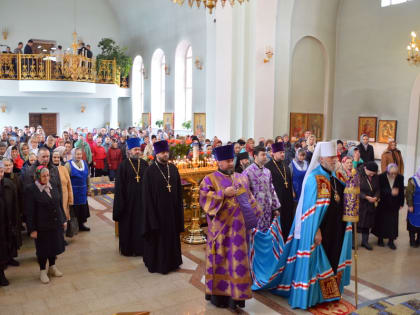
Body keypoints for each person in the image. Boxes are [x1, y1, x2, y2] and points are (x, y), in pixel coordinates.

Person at [250, 141, 352, 310]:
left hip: (335, 228)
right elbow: (308, 210)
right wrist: (316, 230)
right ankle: (314, 296)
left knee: (333, 258)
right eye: (331, 157)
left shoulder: (334, 177)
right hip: (319, 229)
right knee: (318, 263)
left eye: (336, 157)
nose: (335, 160)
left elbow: (346, 196)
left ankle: (328, 293)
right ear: (321, 159)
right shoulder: (314, 178)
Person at [199, 144, 262, 310]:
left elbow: (249, 198)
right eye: (226, 161)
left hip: (240, 232)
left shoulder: (242, 178)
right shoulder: (209, 179)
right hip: (220, 232)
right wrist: (222, 194)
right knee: (221, 262)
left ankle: (237, 298)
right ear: (219, 162)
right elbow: (204, 199)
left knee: (238, 263)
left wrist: (257, 212)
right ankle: (219, 298)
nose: (230, 163)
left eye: (231, 160)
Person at [141, 140, 184, 274]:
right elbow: (146, 196)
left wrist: (179, 212)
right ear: (156, 154)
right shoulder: (150, 171)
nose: (165, 155)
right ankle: (159, 265)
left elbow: (178, 191)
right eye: (162, 153)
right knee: (159, 239)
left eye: (166, 152)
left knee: (172, 237)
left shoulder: (173, 168)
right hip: (157, 212)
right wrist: (151, 217)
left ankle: (173, 262)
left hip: (172, 211)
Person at [25, 166, 66, 284]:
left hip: (55, 223)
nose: (46, 178)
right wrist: (32, 229)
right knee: (43, 249)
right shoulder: (31, 189)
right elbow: (29, 211)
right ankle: (42, 270)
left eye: (48, 175)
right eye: (43, 176)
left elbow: (58, 203)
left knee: (54, 246)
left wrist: (63, 219)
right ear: (37, 177)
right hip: (41, 226)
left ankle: (52, 267)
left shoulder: (52, 184)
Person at [113, 138, 148, 257]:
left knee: (141, 226)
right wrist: (120, 205)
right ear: (129, 151)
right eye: (135, 150)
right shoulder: (123, 166)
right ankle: (128, 249)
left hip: (142, 203)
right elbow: (119, 187)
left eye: (139, 149)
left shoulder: (144, 164)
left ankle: (141, 249)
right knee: (129, 226)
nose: (137, 152)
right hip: (127, 203)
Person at [243, 146, 280, 231]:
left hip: (267, 209)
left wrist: (275, 207)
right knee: (255, 235)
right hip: (255, 210)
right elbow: (245, 193)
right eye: (262, 155)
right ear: (255, 156)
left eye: (266, 155)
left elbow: (272, 189)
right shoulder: (247, 172)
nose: (265, 157)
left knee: (266, 234)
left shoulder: (267, 171)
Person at [265, 142, 295, 240]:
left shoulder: (286, 166)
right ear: (273, 153)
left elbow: (289, 183)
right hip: (276, 202)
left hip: (287, 201)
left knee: (287, 224)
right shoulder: (268, 167)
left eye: (283, 152)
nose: (283, 154)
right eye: (280, 152)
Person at [372, 163, 404, 250]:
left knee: (392, 223)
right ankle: (380, 239)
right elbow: (378, 189)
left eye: (395, 173)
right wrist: (390, 191)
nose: (393, 175)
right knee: (381, 221)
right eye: (392, 173)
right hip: (383, 203)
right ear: (388, 171)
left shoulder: (400, 177)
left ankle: (391, 241)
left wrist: (401, 203)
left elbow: (401, 191)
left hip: (394, 204)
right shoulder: (381, 176)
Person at [0, 160, 21, 269]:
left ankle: (10, 257)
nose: (8, 167)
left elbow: (18, 189)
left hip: (12, 210)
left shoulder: (13, 176)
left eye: (9, 165)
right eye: (6, 166)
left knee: (12, 236)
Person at [65, 148, 90, 232]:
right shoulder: (68, 165)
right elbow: (66, 180)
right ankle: (74, 227)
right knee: (74, 210)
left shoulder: (84, 163)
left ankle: (81, 224)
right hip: (73, 192)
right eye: (77, 154)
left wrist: (88, 188)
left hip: (83, 191)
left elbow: (87, 177)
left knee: (82, 209)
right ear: (73, 154)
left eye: (80, 154)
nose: (79, 156)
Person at [358, 161, 380, 250]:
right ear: (366, 169)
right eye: (370, 173)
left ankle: (365, 242)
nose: (372, 175)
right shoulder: (358, 175)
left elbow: (378, 188)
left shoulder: (375, 177)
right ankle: (353, 242)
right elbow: (354, 189)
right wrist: (365, 197)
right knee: (356, 223)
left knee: (367, 223)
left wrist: (376, 197)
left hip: (370, 203)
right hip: (360, 203)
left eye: (373, 173)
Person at [0, 161, 15, 286]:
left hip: (5, 223)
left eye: (1, 171)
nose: (0, 174)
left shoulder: (7, 184)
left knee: (3, 249)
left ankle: (1, 274)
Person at [52, 151, 73, 223]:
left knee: (64, 216)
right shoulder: (48, 169)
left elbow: (69, 185)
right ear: (51, 158)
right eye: (54, 157)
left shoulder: (64, 169)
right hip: (53, 198)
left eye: (58, 157)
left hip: (64, 197)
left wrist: (70, 199)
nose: (56, 159)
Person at [405, 167, 420, 248]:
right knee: (412, 225)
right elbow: (408, 194)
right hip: (414, 206)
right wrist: (410, 205)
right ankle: (412, 240)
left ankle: (419, 240)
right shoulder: (413, 180)